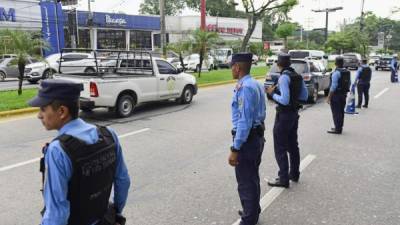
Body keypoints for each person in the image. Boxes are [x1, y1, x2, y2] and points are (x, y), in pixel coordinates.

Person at [28, 79, 131, 225]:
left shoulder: (58, 151)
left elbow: (57, 213)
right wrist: (115, 213)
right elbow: (123, 180)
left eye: (43, 109)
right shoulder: (109, 134)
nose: (39, 115)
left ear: (62, 111)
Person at [228, 53, 266, 225]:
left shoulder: (246, 88)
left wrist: (235, 149)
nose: (231, 69)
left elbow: (244, 122)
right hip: (256, 137)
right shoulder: (255, 83)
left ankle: (249, 219)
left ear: (238, 67)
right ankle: (252, 210)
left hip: (247, 141)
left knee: (245, 181)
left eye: (231, 66)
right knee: (252, 177)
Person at [265, 53, 308, 188]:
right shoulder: (298, 76)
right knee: (293, 146)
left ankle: (283, 178)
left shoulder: (284, 77)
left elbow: (284, 99)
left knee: (280, 147)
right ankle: (294, 174)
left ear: (278, 64)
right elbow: (305, 96)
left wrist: (272, 94)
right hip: (294, 114)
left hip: (284, 115)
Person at [327, 57, 351, 134]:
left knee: (336, 112)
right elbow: (349, 83)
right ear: (343, 63)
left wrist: (329, 97)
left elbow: (333, 87)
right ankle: (339, 127)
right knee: (341, 111)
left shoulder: (336, 73)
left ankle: (338, 129)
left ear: (335, 63)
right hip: (343, 94)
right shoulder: (347, 72)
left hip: (336, 95)